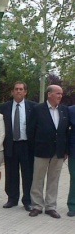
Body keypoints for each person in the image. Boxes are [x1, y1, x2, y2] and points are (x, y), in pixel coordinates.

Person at [28, 85, 69, 219]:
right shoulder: (37, 109)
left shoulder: (64, 110)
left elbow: (65, 132)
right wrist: (33, 148)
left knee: (54, 179)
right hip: (41, 150)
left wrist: (65, 150)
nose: (60, 96)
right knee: (38, 179)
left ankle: (51, 207)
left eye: (61, 94)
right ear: (49, 94)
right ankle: (37, 206)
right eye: (58, 93)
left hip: (58, 152)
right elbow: (31, 130)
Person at [0, 82, 36, 211]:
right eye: (16, 89)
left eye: (21, 89)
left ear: (25, 92)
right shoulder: (4, 107)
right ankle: (12, 199)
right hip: (11, 145)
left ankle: (28, 201)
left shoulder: (33, 107)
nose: (18, 91)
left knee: (28, 174)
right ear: (12, 92)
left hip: (27, 145)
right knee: (11, 173)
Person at [67, 104, 75, 217]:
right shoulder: (71, 110)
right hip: (74, 151)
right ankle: (72, 205)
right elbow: (66, 131)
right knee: (74, 177)